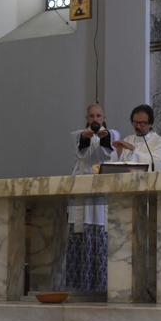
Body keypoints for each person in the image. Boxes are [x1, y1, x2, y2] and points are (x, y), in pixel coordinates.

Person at [65, 103, 120, 292]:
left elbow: (109, 150)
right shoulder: (77, 135)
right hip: (82, 189)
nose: (95, 119)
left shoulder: (113, 133)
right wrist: (85, 136)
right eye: (91, 116)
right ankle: (78, 287)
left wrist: (104, 137)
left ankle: (103, 286)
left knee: (102, 230)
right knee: (78, 231)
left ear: (104, 117)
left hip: (102, 190)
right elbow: (80, 150)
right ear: (87, 118)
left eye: (98, 116)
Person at [111, 104, 161, 172]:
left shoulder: (159, 141)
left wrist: (133, 149)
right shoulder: (127, 140)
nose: (138, 126)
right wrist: (119, 152)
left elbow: (159, 164)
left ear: (151, 124)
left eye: (142, 123)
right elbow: (120, 168)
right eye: (135, 122)